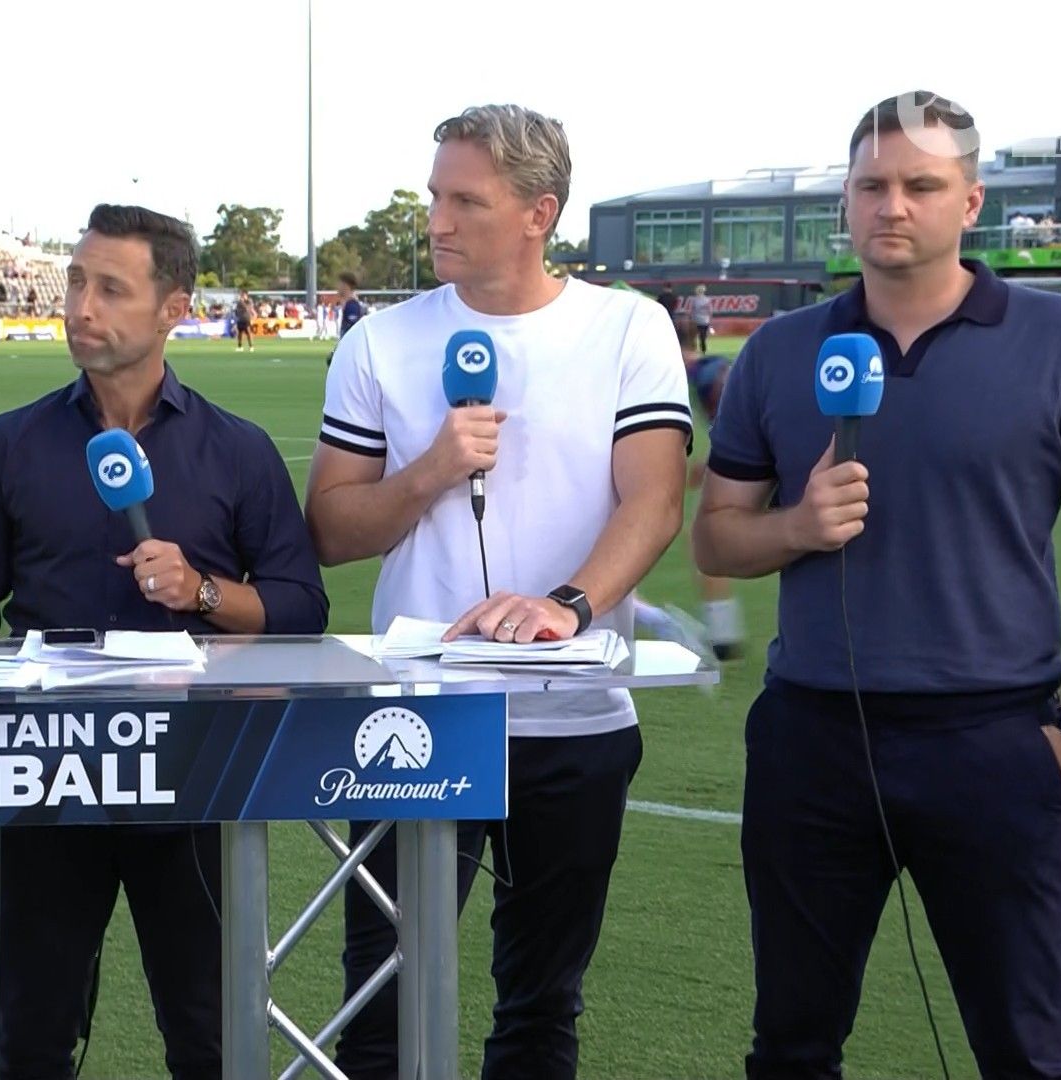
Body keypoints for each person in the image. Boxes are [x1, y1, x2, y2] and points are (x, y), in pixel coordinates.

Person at [691, 91, 1061, 1080]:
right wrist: (796, 526)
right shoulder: (780, 351)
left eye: (921, 185)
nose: (891, 205)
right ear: (846, 200)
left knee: (1027, 1050)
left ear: (971, 201)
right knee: (792, 1046)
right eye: (871, 185)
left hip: (995, 741)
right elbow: (718, 535)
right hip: (813, 738)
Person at [305, 104, 691, 1080]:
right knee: (382, 1007)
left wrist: (566, 605)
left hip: (574, 718)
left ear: (538, 213)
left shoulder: (626, 328)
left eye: (465, 201)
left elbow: (653, 503)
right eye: (434, 196)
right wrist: (431, 471)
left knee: (540, 1009)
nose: (437, 220)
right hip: (414, 724)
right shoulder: (380, 342)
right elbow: (332, 530)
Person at [0, 203, 329, 1080]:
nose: (81, 307)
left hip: (196, 776)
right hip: (45, 780)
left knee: (211, 1035)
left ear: (173, 309)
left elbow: (302, 607)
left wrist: (203, 592)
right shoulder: (7, 446)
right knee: (29, 1038)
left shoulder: (238, 450)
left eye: (110, 289)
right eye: (76, 282)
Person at [677, 312, 745, 659]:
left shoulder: (704, 375)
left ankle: (723, 636)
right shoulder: (709, 368)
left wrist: (707, 465)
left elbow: (740, 424)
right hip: (766, 456)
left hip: (765, 462)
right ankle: (723, 634)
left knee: (705, 537)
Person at [688, 283, 714, 351]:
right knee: (703, 336)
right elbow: (710, 311)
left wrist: (690, 319)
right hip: (704, 320)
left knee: (694, 336)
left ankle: (695, 348)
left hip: (696, 320)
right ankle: (703, 349)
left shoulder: (694, 300)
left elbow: (691, 311)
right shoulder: (707, 299)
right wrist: (710, 321)